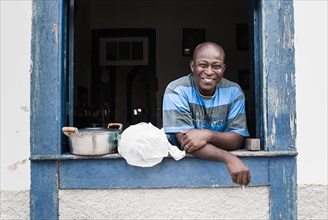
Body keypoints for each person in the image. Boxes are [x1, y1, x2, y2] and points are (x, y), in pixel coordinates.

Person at [162, 42, 251, 186]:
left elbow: (236, 139)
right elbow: (186, 143)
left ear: (223, 68)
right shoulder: (177, 90)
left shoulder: (234, 92)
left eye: (216, 66)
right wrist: (229, 159)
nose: (209, 72)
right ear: (192, 66)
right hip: (179, 177)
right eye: (203, 65)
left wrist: (206, 134)